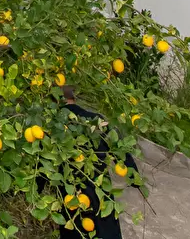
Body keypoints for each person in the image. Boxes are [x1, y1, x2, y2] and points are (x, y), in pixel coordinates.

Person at [57, 86, 140, 239]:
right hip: (100, 188)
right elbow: (119, 148)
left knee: (76, 229)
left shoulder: (56, 125)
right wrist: (135, 178)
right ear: (74, 98)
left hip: (73, 193)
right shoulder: (96, 119)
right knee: (105, 227)